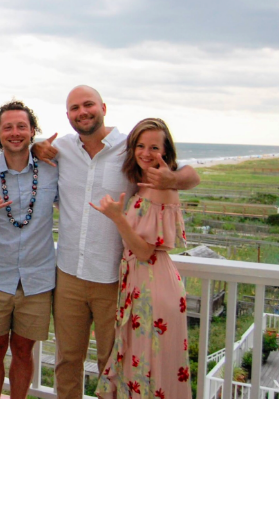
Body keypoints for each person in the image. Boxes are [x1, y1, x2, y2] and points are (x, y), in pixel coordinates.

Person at [32, 85, 199, 399]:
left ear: (103, 107)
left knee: (112, 362)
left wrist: (172, 179)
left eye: (88, 105)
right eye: (74, 108)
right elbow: (30, 154)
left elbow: (191, 176)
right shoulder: (62, 148)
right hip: (68, 274)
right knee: (68, 360)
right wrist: (35, 148)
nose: (82, 112)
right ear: (67, 115)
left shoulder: (131, 146)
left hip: (114, 280)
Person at [91, 118, 191, 398]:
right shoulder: (145, 184)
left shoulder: (163, 185)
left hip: (153, 284)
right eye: (140, 145)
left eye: (154, 147)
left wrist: (117, 217)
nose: (146, 153)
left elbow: (146, 251)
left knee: (151, 364)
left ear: (166, 151)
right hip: (138, 283)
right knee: (140, 362)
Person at [0, 101, 58, 399]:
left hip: (37, 279)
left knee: (23, 351)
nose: (15, 133)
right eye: (8, 127)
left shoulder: (51, 170)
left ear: (33, 131)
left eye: (22, 126)